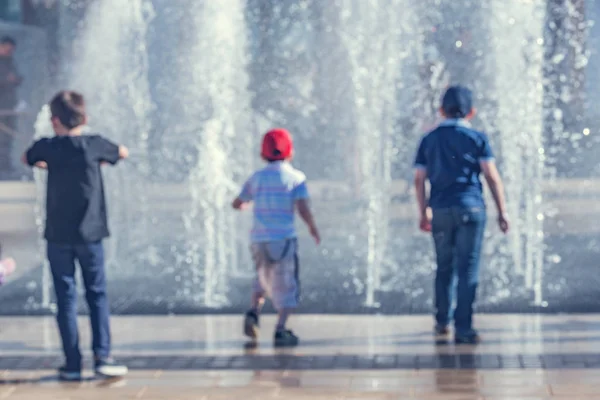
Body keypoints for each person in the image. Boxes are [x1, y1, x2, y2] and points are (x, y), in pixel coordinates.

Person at [21, 91, 129, 380]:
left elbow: (27, 157)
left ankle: (72, 364)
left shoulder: (49, 146)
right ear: (86, 117)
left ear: (54, 120)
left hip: (58, 235)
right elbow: (122, 152)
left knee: (65, 297)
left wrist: (44, 164)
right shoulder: (94, 145)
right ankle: (102, 356)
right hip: (90, 234)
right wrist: (100, 162)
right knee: (97, 294)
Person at [413, 85, 509, 344]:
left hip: (441, 210)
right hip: (471, 208)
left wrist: (424, 212)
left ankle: (442, 321)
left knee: (444, 267)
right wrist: (502, 211)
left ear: (441, 110)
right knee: (468, 269)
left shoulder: (429, 139)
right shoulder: (477, 138)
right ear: (472, 112)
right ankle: (464, 327)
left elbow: (419, 179)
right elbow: (491, 176)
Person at [232, 128, 320, 347]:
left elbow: (238, 202)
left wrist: (247, 205)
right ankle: (281, 329)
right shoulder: (296, 178)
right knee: (287, 283)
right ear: (290, 152)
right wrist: (312, 227)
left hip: (259, 240)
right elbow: (302, 207)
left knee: (262, 277)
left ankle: (253, 312)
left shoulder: (257, 178)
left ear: (263, 154)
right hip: (283, 240)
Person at [0, 36, 22, 177]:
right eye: (7, 48)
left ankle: (5, 164)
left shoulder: (10, 62)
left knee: (8, 138)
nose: (10, 52)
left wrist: (16, 79)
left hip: (9, 107)